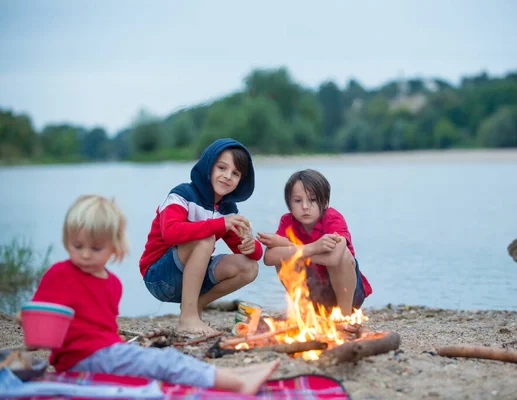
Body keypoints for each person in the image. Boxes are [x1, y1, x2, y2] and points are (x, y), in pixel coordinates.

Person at [21, 195, 279, 394]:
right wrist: (38, 334)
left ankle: (239, 374)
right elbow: (40, 320)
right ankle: (236, 383)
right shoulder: (60, 274)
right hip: (82, 358)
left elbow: (103, 328)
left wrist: (116, 344)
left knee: (162, 359)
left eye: (96, 248)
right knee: (164, 363)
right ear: (67, 240)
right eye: (77, 246)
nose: (86, 254)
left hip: (105, 352)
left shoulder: (112, 284)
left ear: (114, 248)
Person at [140, 138, 263, 335]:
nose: (227, 176)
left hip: (192, 278)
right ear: (208, 166)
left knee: (249, 267)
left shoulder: (227, 209)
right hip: (159, 277)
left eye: (235, 173)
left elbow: (250, 254)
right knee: (206, 238)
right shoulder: (182, 194)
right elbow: (171, 233)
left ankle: (194, 307)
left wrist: (252, 246)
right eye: (222, 168)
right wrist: (219, 225)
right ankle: (187, 319)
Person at [257, 169, 372, 316]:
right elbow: (269, 258)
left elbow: (334, 258)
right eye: (298, 201)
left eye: (312, 200)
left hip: (347, 294)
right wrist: (312, 248)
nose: (305, 207)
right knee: (282, 258)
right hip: (313, 292)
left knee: (344, 255)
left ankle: (344, 318)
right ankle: (307, 313)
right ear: (289, 204)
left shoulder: (333, 218)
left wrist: (290, 247)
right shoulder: (287, 221)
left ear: (324, 203)